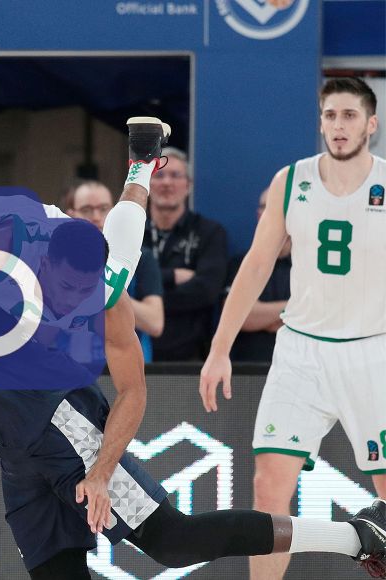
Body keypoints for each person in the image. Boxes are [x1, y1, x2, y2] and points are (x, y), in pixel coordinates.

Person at [0, 36, 386, 579]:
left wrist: (102, 470)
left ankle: (358, 535)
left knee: (172, 540)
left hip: (61, 423)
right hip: (17, 449)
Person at [200, 76, 386, 579]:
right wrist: (220, 348)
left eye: (349, 115)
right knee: (268, 488)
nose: (339, 125)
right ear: (320, 122)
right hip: (301, 352)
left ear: (371, 124)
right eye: (330, 115)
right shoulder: (291, 180)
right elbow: (257, 264)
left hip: (372, 351)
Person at [143, 147, 228, 361]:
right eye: (159, 175)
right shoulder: (132, 233)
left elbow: (206, 291)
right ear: (147, 184)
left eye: (175, 175)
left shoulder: (209, 232)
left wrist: (146, 301)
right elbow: (120, 286)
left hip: (190, 358)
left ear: (188, 185)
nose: (167, 182)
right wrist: (172, 276)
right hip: (136, 351)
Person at [67, 180, 164, 361]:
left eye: (104, 209)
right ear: (70, 215)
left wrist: (106, 289)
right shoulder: (56, 258)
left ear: (114, 212)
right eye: (87, 210)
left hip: (127, 366)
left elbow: (155, 322)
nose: (96, 217)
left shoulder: (140, 256)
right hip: (71, 367)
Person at [226, 189, 291, 362]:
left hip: (299, 367)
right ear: (259, 215)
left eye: (282, 207)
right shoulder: (240, 264)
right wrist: (292, 309)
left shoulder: (310, 265)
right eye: (266, 207)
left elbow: (320, 315)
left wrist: (267, 315)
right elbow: (242, 317)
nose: (276, 213)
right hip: (248, 368)